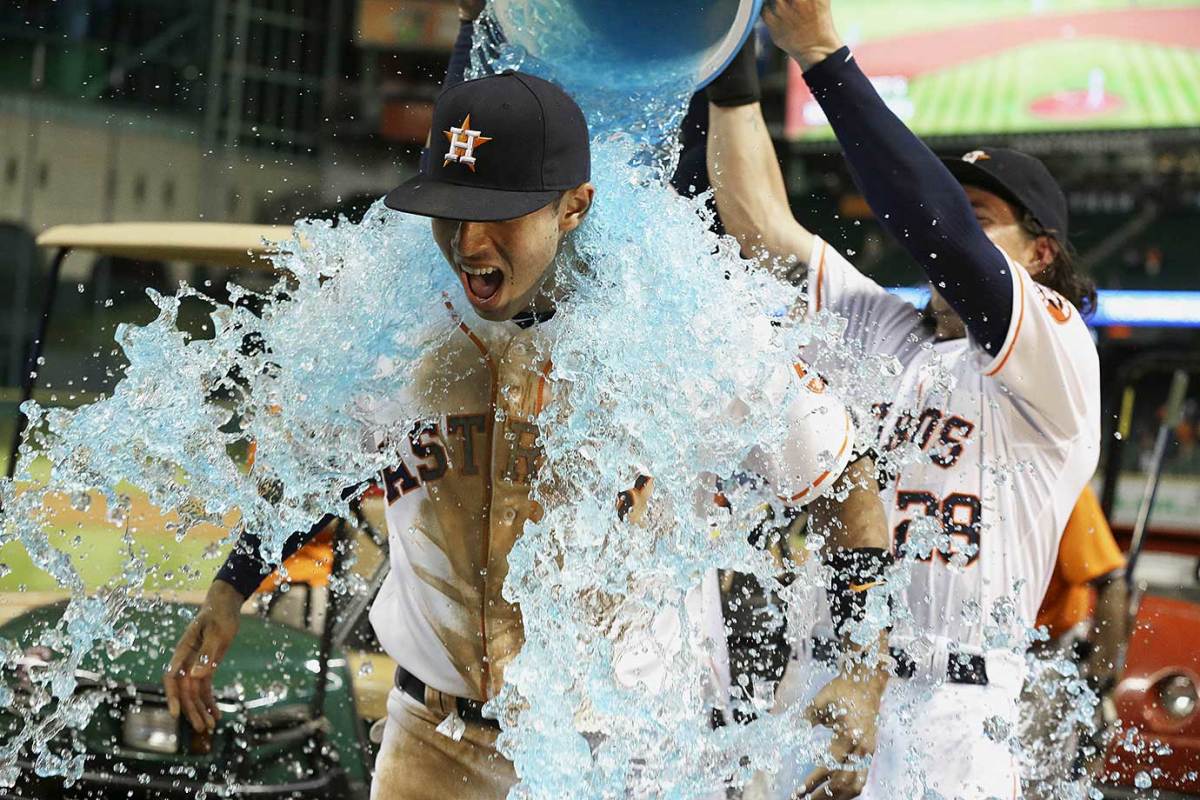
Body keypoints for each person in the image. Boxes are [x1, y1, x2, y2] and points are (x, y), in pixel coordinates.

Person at [162, 18, 892, 800]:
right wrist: (228, 591)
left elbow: (841, 475)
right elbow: (317, 463)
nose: (470, 242)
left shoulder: (680, 326)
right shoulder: (391, 325)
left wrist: (862, 671)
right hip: (431, 739)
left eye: (501, 210)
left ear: (573, 207)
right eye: (451, 208)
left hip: (613, 750)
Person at [708, 1, 1102, 797]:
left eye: (984, 217)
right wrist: (725, 57)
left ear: (1042, 252)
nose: (958, 229)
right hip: (828, 680)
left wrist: (822, 55)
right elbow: (759, 229)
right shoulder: (892, 331)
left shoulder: (1056, 346)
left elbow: (944, 237)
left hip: (950, 711)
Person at [1022, 485, 1129, 799]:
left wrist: (1099, 688)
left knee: (1032, 781)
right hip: (979, 651)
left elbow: (1111, 582)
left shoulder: (1059, 484)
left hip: (1045, 654)